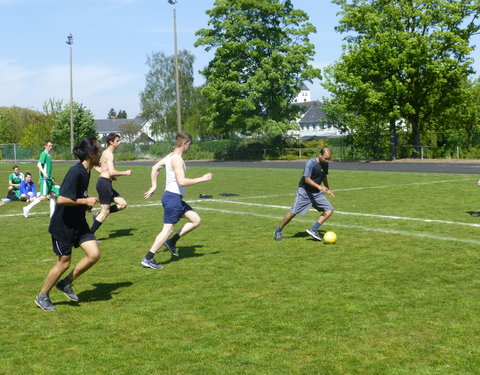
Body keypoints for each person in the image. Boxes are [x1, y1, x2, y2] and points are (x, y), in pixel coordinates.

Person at [34, 137, 102, 311]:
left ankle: (66, 283)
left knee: (94, 254)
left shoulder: (87, 171)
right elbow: (63, 199)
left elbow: (77, 196)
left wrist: (84, 204)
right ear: (90, 154)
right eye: (98, 150)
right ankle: (42, 296)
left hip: (78, 223)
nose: (100, 153)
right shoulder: (75, 172)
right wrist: (85, 201)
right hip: (63, 225)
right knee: (64, 263)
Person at [141, 131, 213, 269]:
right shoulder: (177, 160)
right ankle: (148, 258)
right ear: (185, 144)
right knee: (167, 229)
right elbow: (182, 181)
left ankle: (172, 242)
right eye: (189, 145)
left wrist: (154, 186)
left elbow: (155, 167)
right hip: (172, 198)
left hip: (173, 198)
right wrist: (202, 179)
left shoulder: (170, 156)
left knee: (196, 219)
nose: (189, 148)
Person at [274, 147, 336, 241]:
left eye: (329, 159)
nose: (327, 161)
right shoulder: (310, 163)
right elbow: (307, 179)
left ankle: (313, 229)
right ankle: (278, 231)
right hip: (304, 192)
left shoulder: (325, 164)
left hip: (316, 193)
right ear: (320, 155)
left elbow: (324, 176)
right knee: (292, 213)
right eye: (326, 158)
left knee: (329, 210)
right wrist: (320, 187)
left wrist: (327, 189)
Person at [90, 133, 132, 234]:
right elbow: (112, 171)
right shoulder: (109, 154)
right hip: (104, 184)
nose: (119, 142)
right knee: (105, 212)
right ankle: (89, 236)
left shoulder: (105, 153)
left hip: (105, 183)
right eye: (117, 141)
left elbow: (97, 167)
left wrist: (109, 176)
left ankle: (97, 215)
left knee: (122, 204)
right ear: (111, 142)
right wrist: (125, 173)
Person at [23, 140, 56, 218]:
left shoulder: (48, 155)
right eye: (49, 146)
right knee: (43, 196)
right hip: (45, 179)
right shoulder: (44, 154)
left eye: (51, 146)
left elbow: (46, 167)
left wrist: (51, 178)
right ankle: (27, 208)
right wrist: (44, 174)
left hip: (49, 179)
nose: (50, 147)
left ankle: (53, 214)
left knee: (53, 195)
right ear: (45, 146)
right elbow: (38, 164)